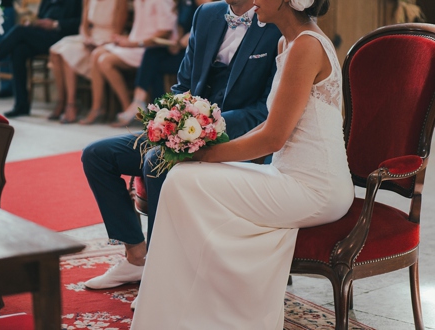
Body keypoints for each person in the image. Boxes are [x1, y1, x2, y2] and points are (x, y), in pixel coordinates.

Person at [131, 0, 347, 327]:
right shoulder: (286, 41)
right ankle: (204, 297)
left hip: (316, 187)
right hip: (286, 174)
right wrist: (203, 146)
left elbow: (272, 139)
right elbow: (271, 123)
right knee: (185, 176)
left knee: (182, 179)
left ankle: (204, 305)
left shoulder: (308, 46)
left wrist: (203, 154)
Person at [80, 0, 281, 290]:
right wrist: (167, 119)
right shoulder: (208, 13)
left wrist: (208, 127)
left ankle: (165, 275)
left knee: (156, 161)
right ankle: (137, 260)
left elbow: (265, 110)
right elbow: (183, 85)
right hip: (187, 127)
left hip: (237, 140)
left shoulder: (277, 23)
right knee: (97, 155)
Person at [0, 0, 81, 117]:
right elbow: (40, 17)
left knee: (19, 31)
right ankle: (21, 105)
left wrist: (55, 24)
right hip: (43, 36)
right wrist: (34, 23)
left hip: (62, 37)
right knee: (18, 50)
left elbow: (80, 23)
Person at [110, 0, 211, 126]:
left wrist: (192, 35)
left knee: (152, 62)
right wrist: (178, 40)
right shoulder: (180, 3)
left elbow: (212, 16)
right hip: (181, 50)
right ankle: (157, 113)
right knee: (152, 58)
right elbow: (180, 24)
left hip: (196, 56)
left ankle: (145, 106)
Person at [79, 0, 177, 124]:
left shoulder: (161, 2)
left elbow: (165, 33)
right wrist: (125, 40)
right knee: (96, 54)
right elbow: (138, 31)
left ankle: (128, 107)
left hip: (152, 50)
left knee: (105, 61)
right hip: (136, 45)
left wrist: (133, 43)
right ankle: (97, 107)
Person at [48, 0, 127, 123]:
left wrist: (102, 44)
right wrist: (87, 39)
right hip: (91, 38)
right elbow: (84, 26)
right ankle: (64, 102)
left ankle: (76, 105)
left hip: (109, 39)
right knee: (57, 50)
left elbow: (118, 31)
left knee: (69, 53)